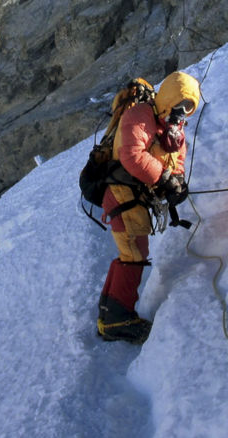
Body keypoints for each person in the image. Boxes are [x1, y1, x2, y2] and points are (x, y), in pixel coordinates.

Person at [98, 71, 201, 343]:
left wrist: (175, 182)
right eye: (179, 104)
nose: (181, 113)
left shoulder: (171, 129)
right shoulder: (140, 116)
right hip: (122, 195)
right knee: (133, 254)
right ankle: (117, 320)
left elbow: (175, 159)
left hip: (134, 198)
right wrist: (164, 178)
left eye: (188, 108)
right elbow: (132, 156)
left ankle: (108, 314)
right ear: (167, 98)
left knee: (131, 252)